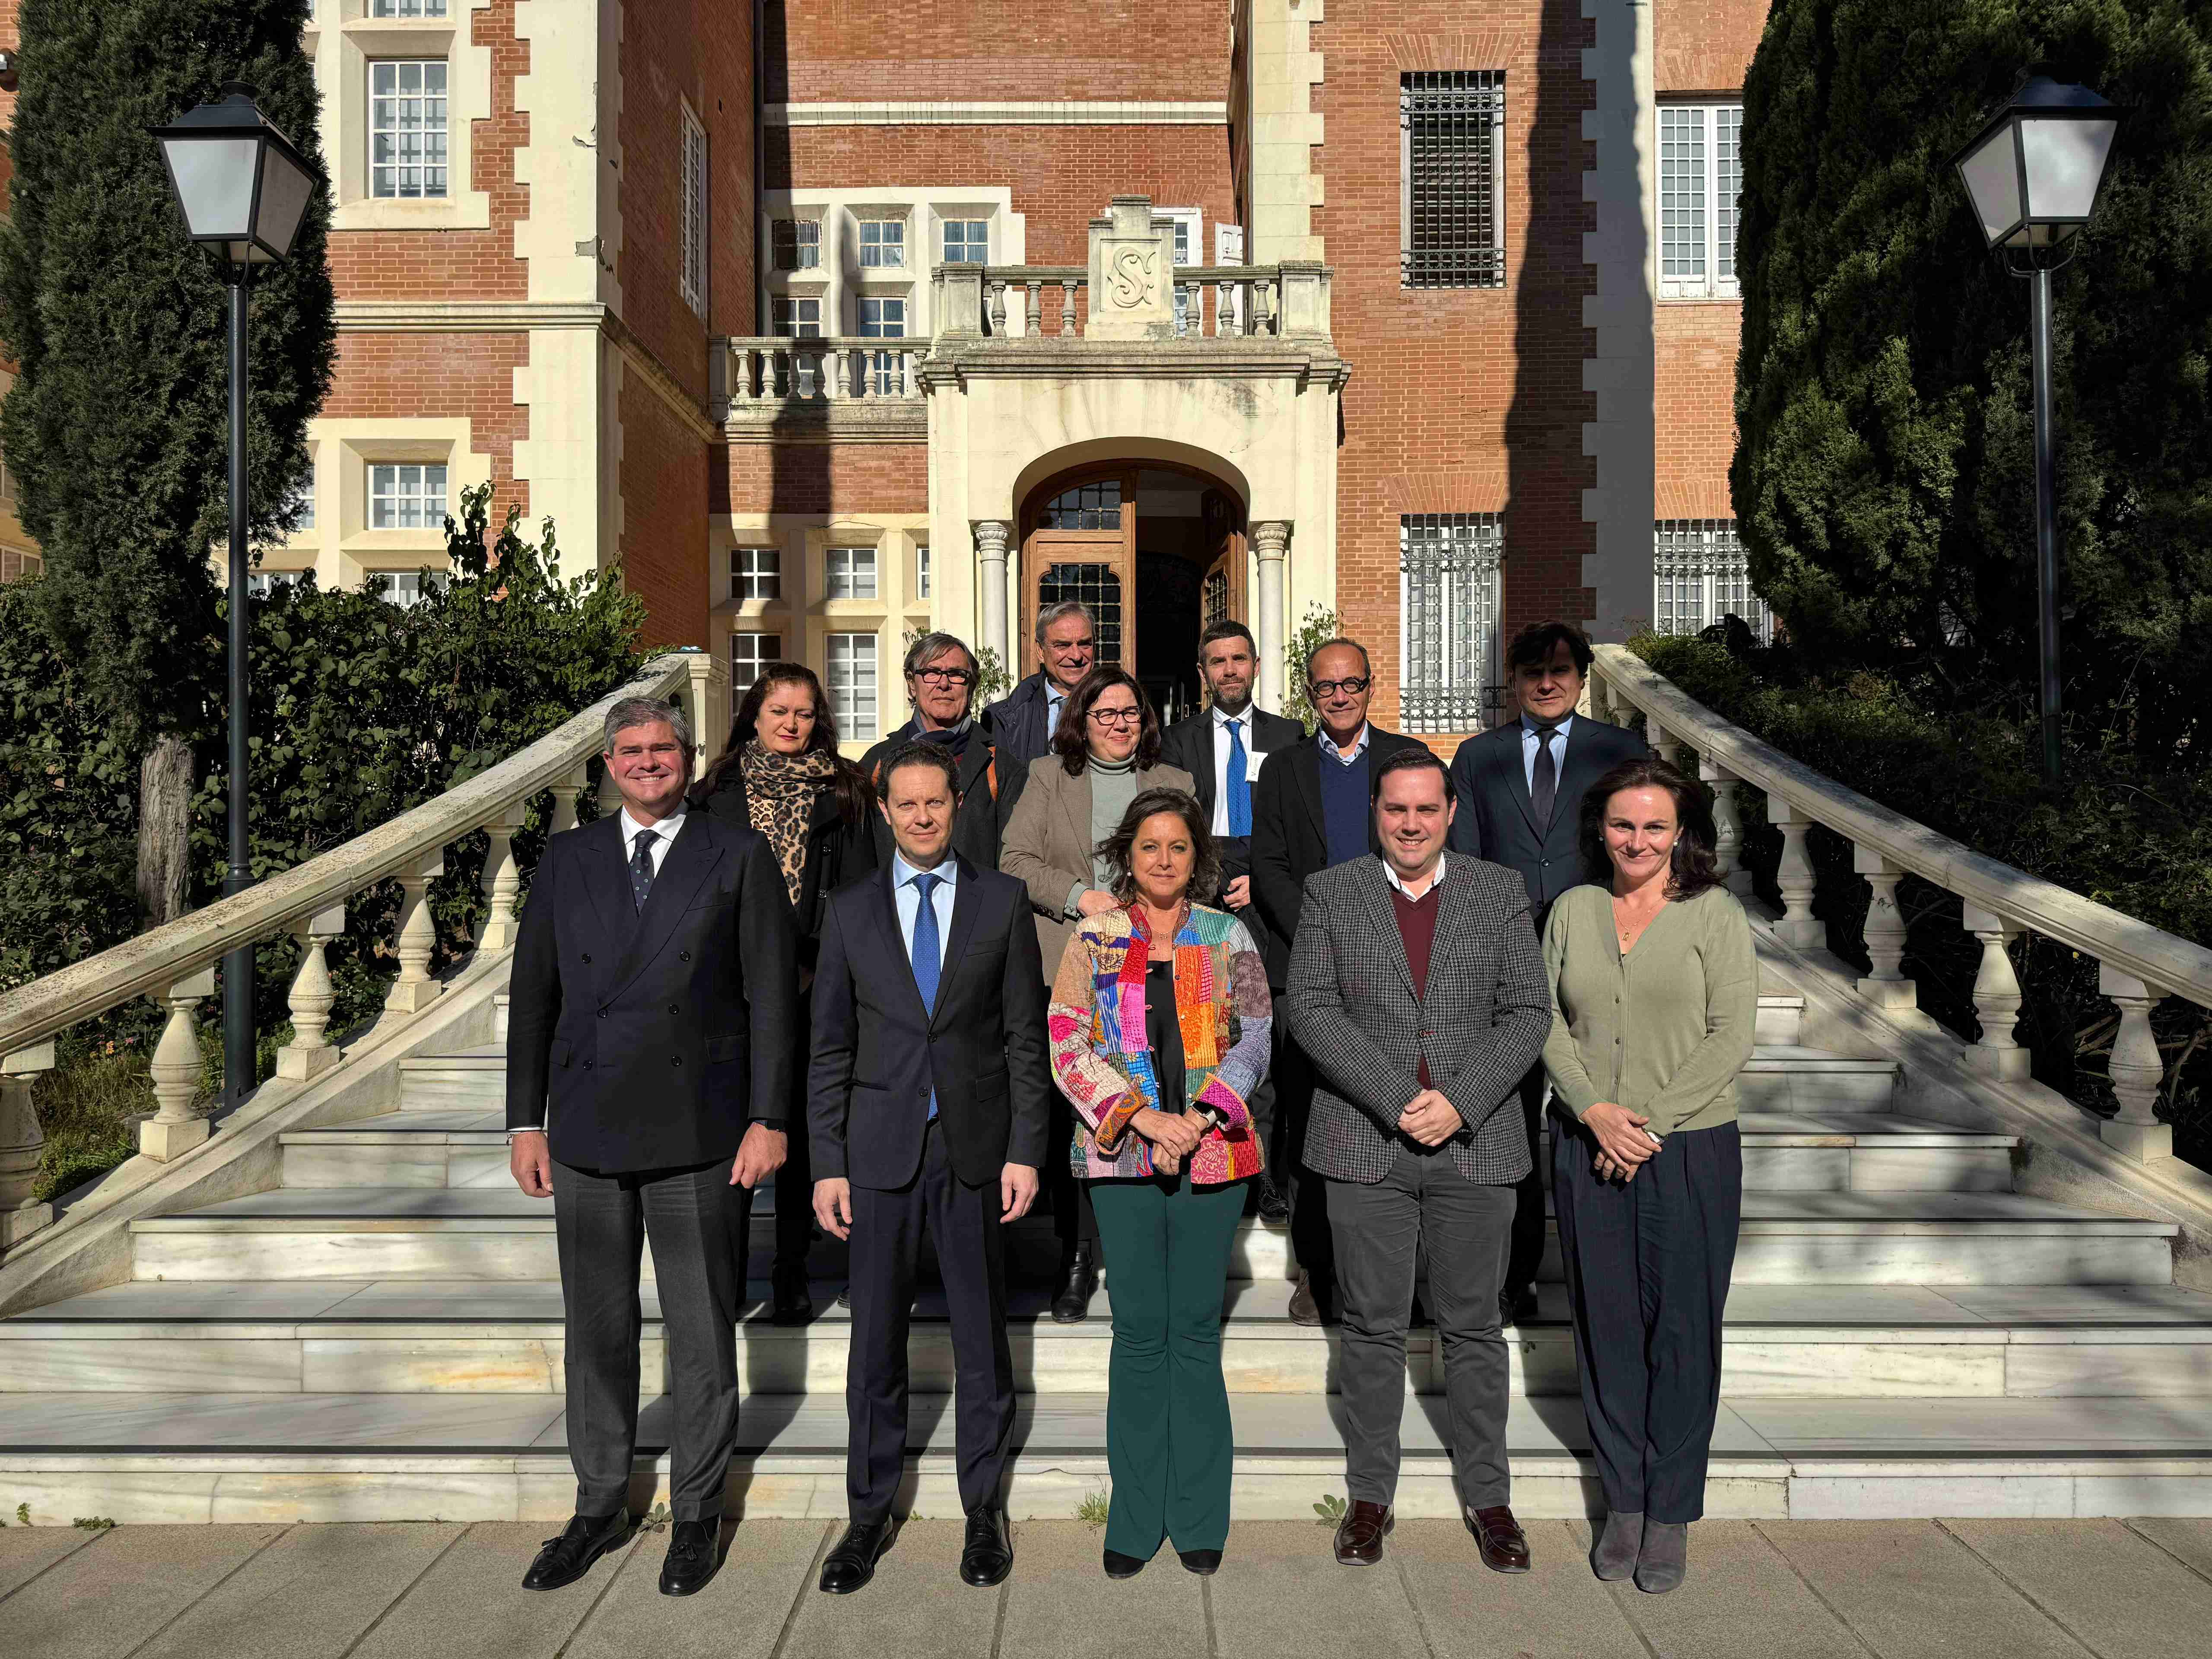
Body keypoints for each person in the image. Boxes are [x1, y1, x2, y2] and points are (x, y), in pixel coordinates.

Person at [506, 696, 796, 1598]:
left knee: (703, 1328)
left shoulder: (736, 854)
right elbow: (535, 994)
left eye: (662, 749)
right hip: (588, 1126)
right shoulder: (568, 858)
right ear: (607, 763)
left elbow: (772, 998)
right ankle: (599, 1503)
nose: (646, 763)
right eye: (630, 751)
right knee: (596, 1328)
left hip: (701, 1129)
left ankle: (699, 1511)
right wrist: (525, 1120)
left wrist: (770, 1117)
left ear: (687, 755)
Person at [1285, 748, 1551, 1575]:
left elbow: (1528, 1011)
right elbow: (1314, 1012)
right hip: (1366, 1145)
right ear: (1377, 812)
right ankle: (1370, 1496)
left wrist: (1461, 1101)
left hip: (1477, 1147)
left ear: (1450, 813)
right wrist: (1398, 1097)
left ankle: (1489, 1497)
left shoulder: (1499, 893)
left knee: (1474, 1327)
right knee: (1370, 1328)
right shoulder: (1332, 894)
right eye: (1396, 810)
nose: (1410, 824)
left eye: (1425, 810)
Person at [807, 741, 1051, 1595]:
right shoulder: (848, 911)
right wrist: (827, 1161)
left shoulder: (1002, 902)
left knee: (981, 1336)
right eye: (904, 804)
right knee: (872, 1342)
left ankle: (983, 1510)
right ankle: (867, 1513)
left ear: (957, 806)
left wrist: (1026, 1150)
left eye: (935, 804)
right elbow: (828, 1048)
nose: (920, 816)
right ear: (883, 811)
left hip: (974, 1150)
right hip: (875, 1153)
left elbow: (1026, 1039)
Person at [1542, 756, 1755, 1595]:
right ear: (1601, 827)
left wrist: (1647, 1127)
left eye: (1654, 826)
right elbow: (1544, 1019)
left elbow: (1730, 1033)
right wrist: (1594, 1111)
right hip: (1586, 1144)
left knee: (1681, 1331)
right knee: (1607, 1329)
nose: (1636, 839)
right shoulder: (1573, 910)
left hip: (1690, 1150)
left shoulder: (1714, 914)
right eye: (1623, 824)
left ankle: (1670, 1511)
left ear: (1679, 833)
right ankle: (1623, 1502)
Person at [1046, 787, 1271, 1579]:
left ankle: (1200, 1515)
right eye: (1150, 847)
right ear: (1127, 856)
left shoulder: (1228, 934)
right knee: (1140, 1334)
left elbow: (1256, 1037)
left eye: (1179, 847)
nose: (1165, 860)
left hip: (1214, 1157)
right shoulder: (1095, 939)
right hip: (1120, 1156)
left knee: (1196, 1336)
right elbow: (1068, 1041)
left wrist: (1201, 1118)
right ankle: (1137, 1519)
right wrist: (1144, 1119)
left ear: (1196, 857)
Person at [1449, 620, 1648, 1328]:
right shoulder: (1478, 757)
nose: (1546, 681)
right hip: (1504, 970)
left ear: (1582, 674)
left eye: (1561, 668)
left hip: (1596, 960)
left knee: (1589, 1110)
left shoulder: (1621, 751)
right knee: (1505, 1125)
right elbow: (1465, 865)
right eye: (1532, 669)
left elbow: (1639, 850)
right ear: (1513, 680)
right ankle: (1516, 1275)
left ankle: (1607, 1268)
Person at [999, 666, 1194, 1322]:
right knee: (1088, 1113)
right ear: (1082, 721)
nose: (1119, 724)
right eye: (1105, 713)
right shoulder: (1049, 777)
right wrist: (1081, 897)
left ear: (1147, 721)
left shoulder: (1176, 784)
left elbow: (1196, 863)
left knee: (1154, 1100)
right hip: (1075, 967)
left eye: (1130, 713)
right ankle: (1077, 1256)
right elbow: (1015, 861)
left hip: (1160, 965)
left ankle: (1158, 1243)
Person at [1248, 637, 1425, 1326]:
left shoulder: (1407, 762)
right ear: (1310, 695)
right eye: (1327, 687)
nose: (1341, 696)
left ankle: (1396, 1271)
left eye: (1353, 683)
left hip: (1401, 975)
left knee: (1397, 1119)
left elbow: (1429, 853)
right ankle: (1316, 1271)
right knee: (1310, 1124)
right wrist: (1326, 939)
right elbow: (1269, 866)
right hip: (1308, 976)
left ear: (1371, 686)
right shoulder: (1284, 771)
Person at [694, 663, 878, 1323]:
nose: (792, 725)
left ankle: (792, 1268)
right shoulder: (715, 791)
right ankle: (726, 1272)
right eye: (779, 712)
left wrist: (818, 967)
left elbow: (860, 892)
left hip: (811, 984)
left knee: (800, 1128)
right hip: (732, 990)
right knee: (733, 1128)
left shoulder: (848, 789)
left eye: (803, 713)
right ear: (754, 716)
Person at [1159, 618, 1303, 1226]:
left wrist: (1262, 881)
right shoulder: (1177, 740)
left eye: (1239, 659)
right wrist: (1211, 879)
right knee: (1209, 1041)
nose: (1229, 671)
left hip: (1266, 910)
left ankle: (1268, 1177)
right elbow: (1171, 819)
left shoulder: (1289, 735)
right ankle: (1216, 1164)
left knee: (1261, 1041)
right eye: (1217, 661)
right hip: (1201, 900)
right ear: (1203, 672)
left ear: (1255, 665)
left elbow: (1292, 825)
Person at [859, 631, 1003, 870]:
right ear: (911, 684)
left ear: (971, 687)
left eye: (957, 675)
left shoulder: (999, 766)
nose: (944, 684)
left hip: (976, 904)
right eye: (931, 673)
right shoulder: (876, 763)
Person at [983, 599, 1098, 823]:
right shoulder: (1004, 719)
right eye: (1062, 645)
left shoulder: (1125, 712)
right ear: (1039, 651)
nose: (1076, 656)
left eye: (1085, 644)